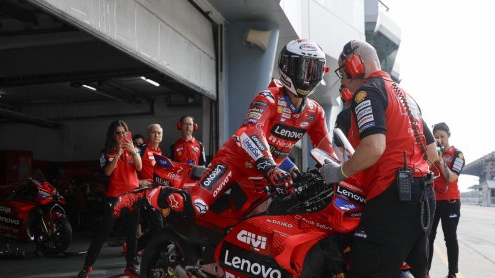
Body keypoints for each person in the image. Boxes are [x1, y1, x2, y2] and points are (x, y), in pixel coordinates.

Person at [317, 40, 444, 278]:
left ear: (356, 65)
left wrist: (337, 172)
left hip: (393, 192)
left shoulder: (368, 92)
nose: (345, 82)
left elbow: (372, 148)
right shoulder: (405, 96)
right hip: (422, 193)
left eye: (344, 73)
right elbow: (432, 153)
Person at [113, 39, 335, 226]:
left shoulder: (315, 112)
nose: (307, 77)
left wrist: (340, 174)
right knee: (197, 204)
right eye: (303, 69)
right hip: (235, 162)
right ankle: (145, 196)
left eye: (313, 70)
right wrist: (269, 166)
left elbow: (326, 150)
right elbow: (250, 131)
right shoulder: (268, 98)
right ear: (287, 67)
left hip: (269, 172)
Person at [76, 120, 142, 278]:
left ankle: (131, 266)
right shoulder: (106, 152)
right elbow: (107, 172)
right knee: (103, 232)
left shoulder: (135, 149)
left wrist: (133, 151)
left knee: (132, 233)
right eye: (118, 133)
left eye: (124, 133)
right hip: (115, 197)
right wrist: (118, 154)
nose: (121, 136)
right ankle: (87, 266)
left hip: (133, 195)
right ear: (113, 135)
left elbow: (139, 168)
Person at [428, 122, 465, 278]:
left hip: (450, 202)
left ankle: (452, 275)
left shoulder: (458, 154)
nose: (439, 140)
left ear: (448, 135)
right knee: (428, 237)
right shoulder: (431, 153)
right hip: (432, 201)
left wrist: (441, 159)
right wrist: (432, 156)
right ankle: (424, 271)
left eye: (442, 137)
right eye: (436, 138)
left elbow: (451, 178)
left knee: (450, 238)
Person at [136, 124, 165, 252]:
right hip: (144, 194)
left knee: (159, 226)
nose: (157, 135)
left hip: (158, 193)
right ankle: (138, 248)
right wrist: (138, 181)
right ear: (148, 134)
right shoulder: (141, 150)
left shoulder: (159, 151)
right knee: (158, 226)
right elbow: (129, 169)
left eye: (159, 133)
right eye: (154, 132)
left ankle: (136, 247)